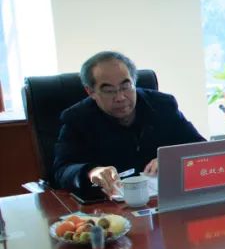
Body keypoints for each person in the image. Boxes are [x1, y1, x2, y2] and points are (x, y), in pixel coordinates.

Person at [53, 51, 204, 195]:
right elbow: (62, 170)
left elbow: (201, 147)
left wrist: (172, 158)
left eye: (126, 87)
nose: (120, 97)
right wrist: (91, 172)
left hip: (161, 198)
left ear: (134, 82)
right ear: (90, 91)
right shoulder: (77, 118)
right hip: (109, 203)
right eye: (109, 90)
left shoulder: (162, 105)